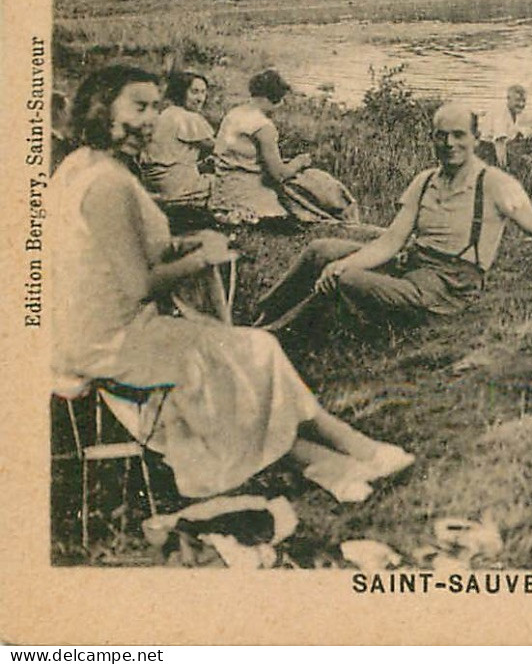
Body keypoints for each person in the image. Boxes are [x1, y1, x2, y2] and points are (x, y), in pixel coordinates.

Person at [51, 65, 412, 504]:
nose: (150, 119)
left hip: (86, 331)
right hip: (110, 341)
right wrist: (204, 257)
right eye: (139, 106)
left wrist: (184, 243)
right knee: (253, 350)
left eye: (155, 108)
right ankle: (353, 447)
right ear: (101, 107)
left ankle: (330, 463)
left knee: (236, 353)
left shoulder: (80, 165)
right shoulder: (109, 183)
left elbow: (111, 254)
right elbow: (139, 283)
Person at [253, 101, 532, 331]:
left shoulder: (496, 184)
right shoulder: (424, 181)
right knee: (321, 252)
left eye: (459, 135)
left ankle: (278, 335)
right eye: (441, 136)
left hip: (448, 290)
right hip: (411, 266)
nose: (449, 144)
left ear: (476, 138)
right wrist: (343, 261)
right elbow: (391, 241)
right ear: (432, 139)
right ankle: (261, 315)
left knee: (349, 280)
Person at [209, 69, 311, 226]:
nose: (282, 104)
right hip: (246, 192)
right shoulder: (263, 126)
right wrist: (300, 162)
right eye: (281, 99)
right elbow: (279, 175)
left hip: (223, 190)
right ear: (273, 98)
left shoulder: (234, 113)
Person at [141, 70, 215, 216]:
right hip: (177, 189)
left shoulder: (166, 114)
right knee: (233, 181)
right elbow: (222, 149)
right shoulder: (187, 118)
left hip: (156, 186)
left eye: (203, 92)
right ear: (181, 92)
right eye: (194, 92)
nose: (200, 98)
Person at [483, 84, 532, 168]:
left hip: (497, 148)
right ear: (508, 99)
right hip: (486, 150)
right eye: (517, 100)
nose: (521, 104)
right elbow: (499, 142)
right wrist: (503, 169)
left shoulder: (515, 113)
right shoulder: (501, 113)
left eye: (523, 101)